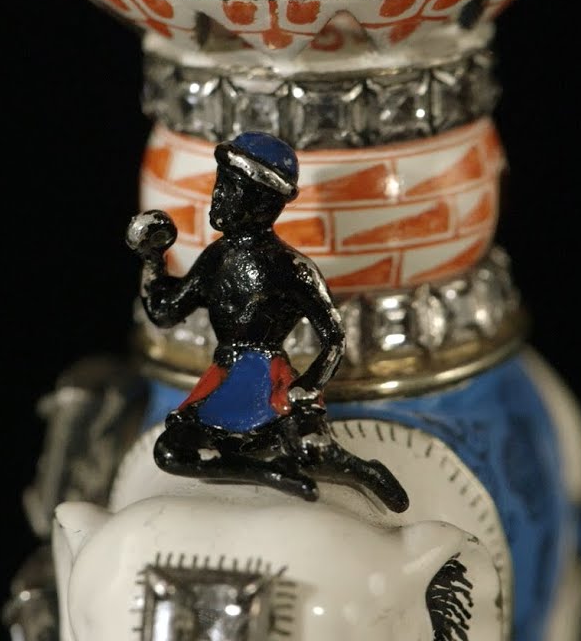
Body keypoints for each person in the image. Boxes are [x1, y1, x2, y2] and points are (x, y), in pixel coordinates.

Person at [127, 132, 408, 512]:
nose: (218, 197)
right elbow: (165, 312)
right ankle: (268, 473)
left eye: (231, 189)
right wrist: (152, 260)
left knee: (312, 451)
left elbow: (334, 338)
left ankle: (362, 471)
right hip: (224, 374)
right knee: (170, 453)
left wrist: (309, 385)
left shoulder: (291, 268)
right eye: (219, 185)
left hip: (270, 377)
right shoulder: (215, 259)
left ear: (263, 203)